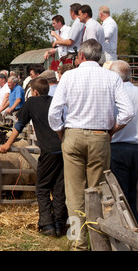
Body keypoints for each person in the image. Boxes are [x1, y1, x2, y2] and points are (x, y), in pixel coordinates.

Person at [48, 39, 134, 251]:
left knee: (74, 193)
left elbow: (53, 112)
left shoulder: (69, 76)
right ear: (99, 57)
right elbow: (128, 112)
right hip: (100, 136)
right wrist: (112, 131)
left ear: (81, 57)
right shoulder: (112, 77)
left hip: (73, 134)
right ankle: (98, 241)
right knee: (96, 191)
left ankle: (78, 241)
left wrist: (62, 133)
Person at [0, 78, 67, 237]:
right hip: (64, 149)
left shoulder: (32, 103)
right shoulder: (55, 101)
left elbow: (19, 125)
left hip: (49, 151)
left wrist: (8, 144)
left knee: (42, 187)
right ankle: (59, 223)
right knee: (59, 187)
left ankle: (47, 224)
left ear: (35, 92)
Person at [108, 60, 138, 221]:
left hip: (118, 146)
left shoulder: (113, 95)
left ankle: (126, 226)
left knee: (120, 192)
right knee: (133, 191)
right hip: (136, 146)